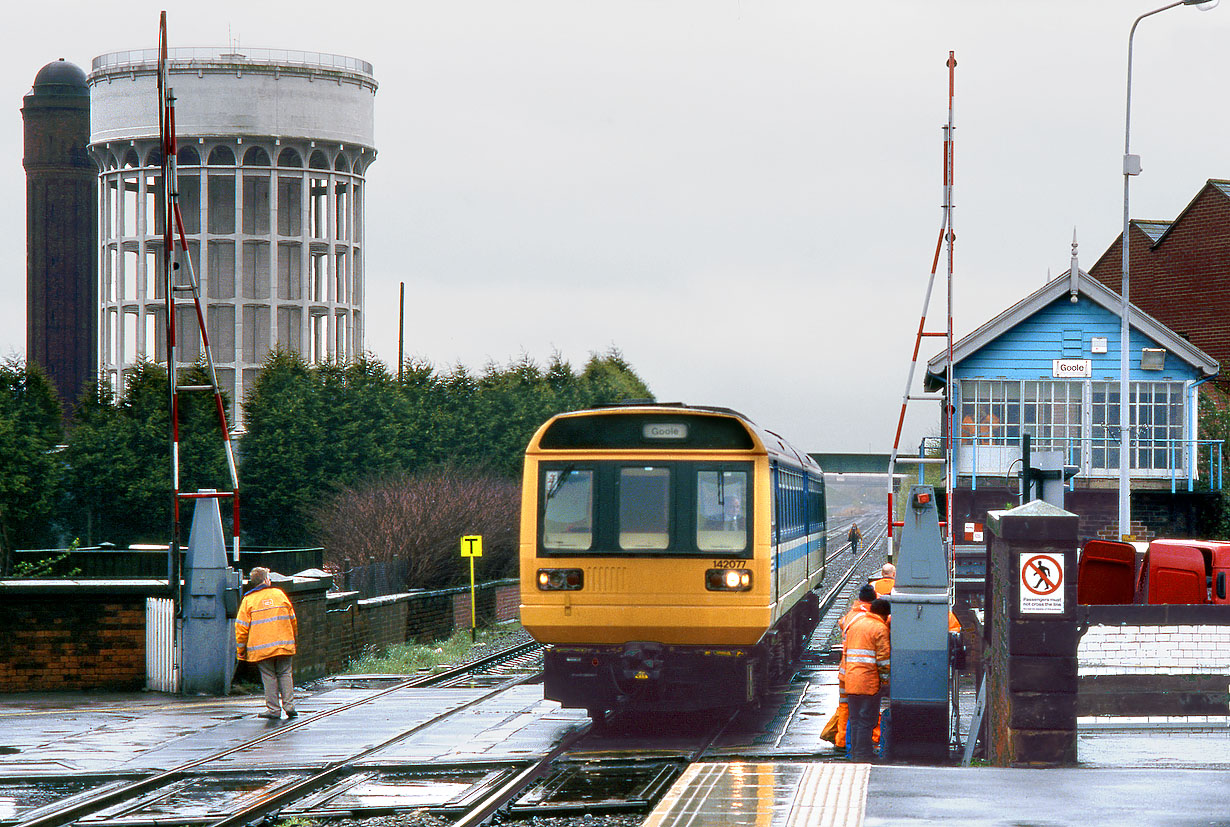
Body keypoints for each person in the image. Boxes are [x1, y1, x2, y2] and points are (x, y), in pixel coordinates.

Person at [235, 567, 298, 720]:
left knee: (269, 676)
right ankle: (289, 706)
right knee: (285, 673)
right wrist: (293, 637)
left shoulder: (248, 600)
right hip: (284, 644)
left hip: (262, 649)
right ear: (266, 580)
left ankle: (273, 710)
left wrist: (241, 650)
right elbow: (293, 619)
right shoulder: (279, 594)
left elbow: (241, 629)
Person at [844, 598, 890, 763]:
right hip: (869, 682)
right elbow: (883, 659)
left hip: (851, 679)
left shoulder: (856, 624)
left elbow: (845, 653)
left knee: (855, 718)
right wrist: (886, 682)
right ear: (884, 615)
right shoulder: (879, 628)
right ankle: (863, 755)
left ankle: (855, 754)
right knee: (866, 719)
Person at [835, 584, 878, 754]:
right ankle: (864, 745)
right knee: (865, 713)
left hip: (845, 670)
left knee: (846, 707)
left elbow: (841, 624)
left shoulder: (849, 617)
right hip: (864, 673)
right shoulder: (872, 619)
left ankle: (842, 742)